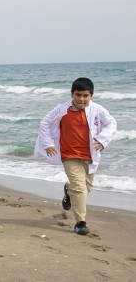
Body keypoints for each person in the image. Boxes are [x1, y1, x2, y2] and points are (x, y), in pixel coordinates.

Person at [35, 78, 117, 236]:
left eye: (85, 95)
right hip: (69, 155)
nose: (81, 99)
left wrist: (102, 139)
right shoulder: (61, 109)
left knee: (85, 189)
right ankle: (80, 222)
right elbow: (45, 122)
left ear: (91, 96)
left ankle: (68, 191)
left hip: (90, 155)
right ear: (72, 94)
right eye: (78, 95)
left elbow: (111, 123)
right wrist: (48, 143)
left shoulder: (97, 110)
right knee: (79, 188)